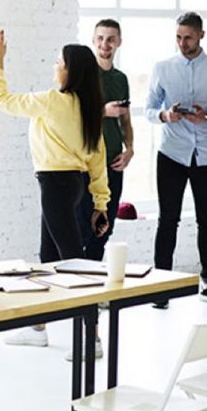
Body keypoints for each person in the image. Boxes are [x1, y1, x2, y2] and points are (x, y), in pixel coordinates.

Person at [0, 30, 110, 348]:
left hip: (56, 186)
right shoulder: (88, 108)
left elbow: (1, 100)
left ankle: (92, 336)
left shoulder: (52, 101)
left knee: (72, 261)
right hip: (73, 186)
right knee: (48, 257)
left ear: (71, 71)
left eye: (59, 62)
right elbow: (98, 159)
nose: (54, 66)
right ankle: (38, 328)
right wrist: (100, 203)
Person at [145, 12, 207, 309]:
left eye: (188, 37)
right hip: (171, 154)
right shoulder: (162, 68)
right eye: (178, 37)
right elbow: (149, 109)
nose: (182, 43)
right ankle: (161, 287)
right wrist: (166, 115)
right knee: (167, 220)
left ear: (201, 35)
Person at [77, 19, 133, 260]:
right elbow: (73, 115)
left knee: (104, 228)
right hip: (88, 163)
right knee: (83, 228)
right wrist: (103, 111)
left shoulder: (121, 79)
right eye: (100, 38)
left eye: (111, 39)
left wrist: (130, 149)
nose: (105, 44)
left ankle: (94, 275)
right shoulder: (83, 76)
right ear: (93, 40)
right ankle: (80, 276)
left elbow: (126, 119)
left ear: (119, 42)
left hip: (114, 162)